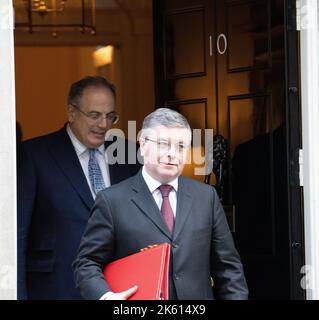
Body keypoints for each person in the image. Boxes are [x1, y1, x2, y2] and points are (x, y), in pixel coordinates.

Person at [73, 107, 249, 300]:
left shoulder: (206, 197)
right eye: (164, 144)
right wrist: (106, 296)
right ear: (143, 144)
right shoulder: (112, 201)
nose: (172, 154)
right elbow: (86, 262)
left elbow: (229, 270)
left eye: (181, 146)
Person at [17, 76, 141, 300]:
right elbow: (18, 233)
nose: (103, 124)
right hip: (56, 288)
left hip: (121, 289)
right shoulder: (35, 155)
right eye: (94, 115)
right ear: (71, 112)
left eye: (110, 116)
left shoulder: (130, 155)